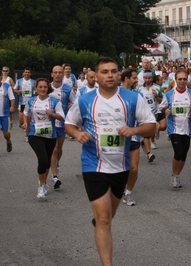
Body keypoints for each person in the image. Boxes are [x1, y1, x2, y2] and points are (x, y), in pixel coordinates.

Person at [65, 57, 156, 266]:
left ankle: (99, 223)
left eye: (113, 71)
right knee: (105, 219)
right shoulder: (85, 100)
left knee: (108, 216)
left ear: (119, 74)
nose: (109, 75)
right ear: (96, 76)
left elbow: (152, 126)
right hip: (93, 164)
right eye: (104, 72)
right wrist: (77, 134)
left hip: (121, 166)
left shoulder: (133, 98)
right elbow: (70, 123)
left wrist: (134, 130)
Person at [159, 69, 191, 188]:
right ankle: (174, 175)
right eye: (180, 79)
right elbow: (161, 107)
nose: (182, 81)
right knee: (178, 152)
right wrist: (165, 111)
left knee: (183, 155)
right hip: (173, 128)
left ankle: (177, 175)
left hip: (187, 128)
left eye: (184, 79)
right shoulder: (169, 94)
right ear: (176, 80)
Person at [22, 78, 65, 198]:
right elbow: (25, 113)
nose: (42, 89)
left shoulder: (54, 102)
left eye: (45, 87)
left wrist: (52, 114)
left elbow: (62, 117)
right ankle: (41, 186)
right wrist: (25, 123)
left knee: (46, 162)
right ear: (36, 88)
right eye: (40, 87)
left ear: (48, 88)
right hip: (34, 134)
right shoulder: (31, 101)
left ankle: (44, 182)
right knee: (43, 160)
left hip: (50, 135)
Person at [49, 65, 76, 189]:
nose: (58, 74)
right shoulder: (46, 87)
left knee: (59, 149)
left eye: (60, 72)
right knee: (54, 149)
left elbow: (75, 103)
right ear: (52, 74)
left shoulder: (67, 89)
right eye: (56, 72)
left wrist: (72, 106)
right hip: (48, 123)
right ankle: (55, 176)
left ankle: (56, 163)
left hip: (62, 123)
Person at [120, 68, 141, 205]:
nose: (136, 80)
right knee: (119, 168)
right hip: (118, 138)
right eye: (134, 78)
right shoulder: (115, 94)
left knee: (133, 168)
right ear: (126, 79)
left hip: (133, 137)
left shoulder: (139, 96)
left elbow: (146, 114)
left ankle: (128, 193)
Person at [136, 70, 163, 162]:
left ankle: (146, 140)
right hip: (144, 114)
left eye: (149, 78)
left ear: (152, 78)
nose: (147, 80)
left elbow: (162, 101)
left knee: (163, 126)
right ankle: (149, 153)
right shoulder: (139, 89)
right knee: (147, 134)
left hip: (155, 111)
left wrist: (156, 96)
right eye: (146, 78)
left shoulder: (157, 87)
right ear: (143, 78)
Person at [13, 68, 36, 142]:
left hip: (30, 103)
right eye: (26, 72)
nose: (27, 73)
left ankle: (27, 135)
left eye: (28, 72)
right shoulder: (19, 81)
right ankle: (26, 128)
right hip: (21, 103)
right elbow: (14, 89)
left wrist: (35, 93)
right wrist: (18, 91)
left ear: (30, 74)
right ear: (23, 73)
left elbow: (36, 91)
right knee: (21, 122)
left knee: (28, 121)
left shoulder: (33, 82)